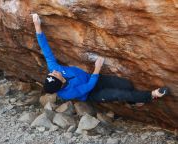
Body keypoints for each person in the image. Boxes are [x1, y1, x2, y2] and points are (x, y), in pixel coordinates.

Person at [32, 14, 169, 106]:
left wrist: (37, 27)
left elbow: (46, 51)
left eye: (51, 74)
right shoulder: (68, 93)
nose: (54, 71)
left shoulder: (54, 68)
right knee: (118, 93)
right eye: (55, 75)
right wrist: (97, 68)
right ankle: (152, 95)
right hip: (92, 93)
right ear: (61, 82)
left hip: (94, 78)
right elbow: (88, 87)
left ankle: (133, 101)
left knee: (126, 85)